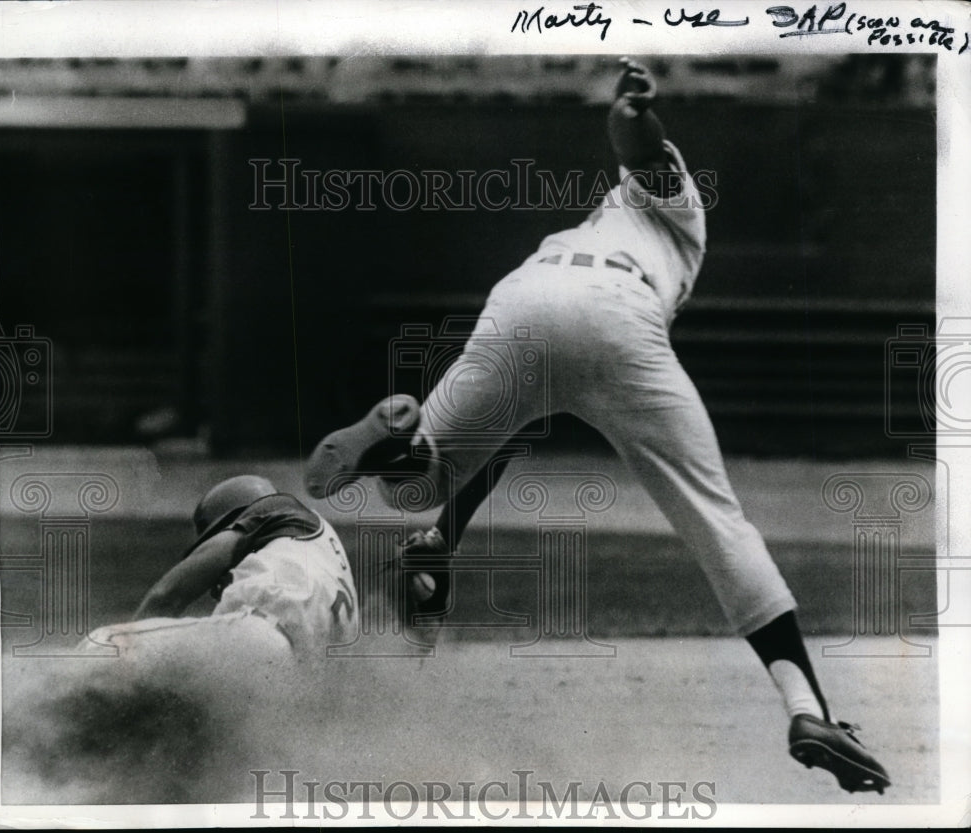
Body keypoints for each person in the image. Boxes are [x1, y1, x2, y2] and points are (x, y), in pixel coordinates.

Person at [305, 59, 890, 795]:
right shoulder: (679, 215)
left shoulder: (595, 219)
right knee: (720, 525)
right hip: (617, 312)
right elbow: (638, 143)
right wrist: (634, 110)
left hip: (523, 297)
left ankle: (398, 449)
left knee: (416, 482)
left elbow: (509, 439)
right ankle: (809, 709)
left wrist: (443, 538)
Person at [84, 474, 358, 661]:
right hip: (289, 677)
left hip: (258, 637)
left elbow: (169, 594)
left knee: (107, 642)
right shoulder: (325, 555)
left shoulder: (275, 508)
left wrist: (129, 660)